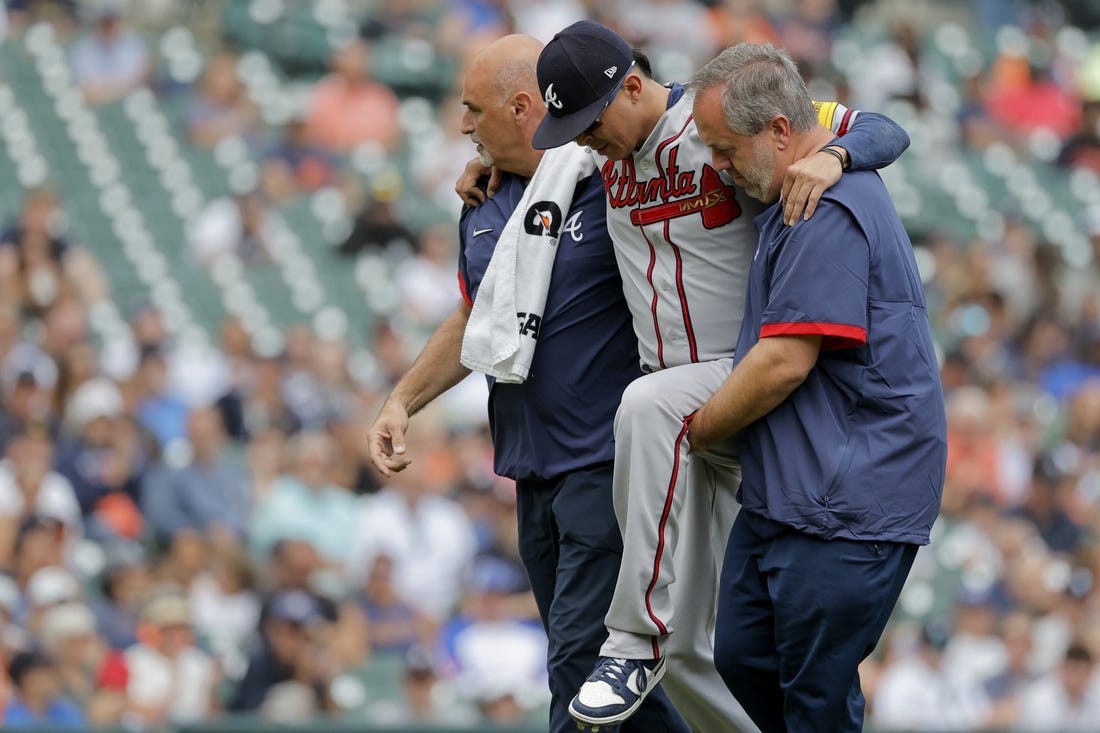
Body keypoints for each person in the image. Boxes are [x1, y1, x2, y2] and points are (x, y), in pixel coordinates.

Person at [527, 20, 911, 731]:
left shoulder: (715, 120)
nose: (584, 136)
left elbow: (879, 126)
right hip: (681, 430)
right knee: (707, 654)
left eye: (590, 118)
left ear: (633, 86)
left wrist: (838, 157)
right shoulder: (597, 156)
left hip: (735, 392)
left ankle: (631, 643)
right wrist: (484, 166)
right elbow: (532, 174)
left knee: (645, 407)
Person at [368, 34, 692, 733]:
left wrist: (838, 146)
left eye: (472, 109)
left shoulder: (618, 174)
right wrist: (403, 399)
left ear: (522, 107)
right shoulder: (483, 199)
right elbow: (474, 317)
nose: (462, 125)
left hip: (609, 465)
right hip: (531, 467)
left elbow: (690, 115)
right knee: (609, 683)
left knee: (578, 668)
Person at [683, 42, 947, 731]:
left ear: (777, 129)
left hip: (849, 496)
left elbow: (784, 362)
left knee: (815, 698)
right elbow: (874, 126)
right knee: (744, 658)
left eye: (724, 147)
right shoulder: (807, 167)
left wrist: (698, 429)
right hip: (791, 490)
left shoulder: (823, 204)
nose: (717, 165)